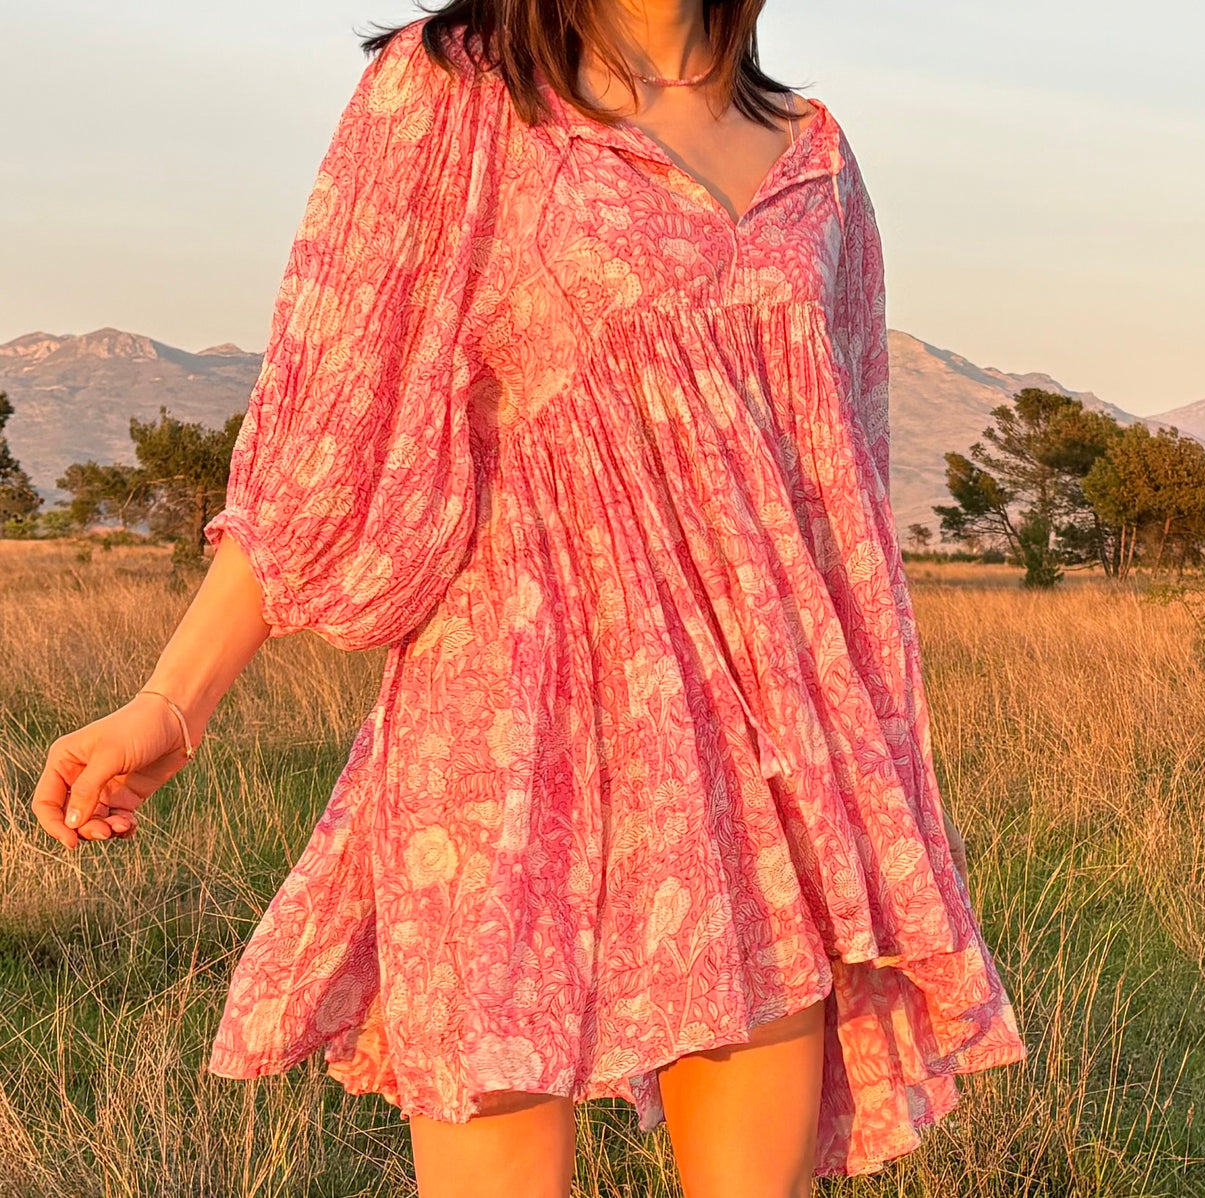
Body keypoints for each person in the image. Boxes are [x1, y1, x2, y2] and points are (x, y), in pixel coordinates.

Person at [30, 2, 1026, 1194]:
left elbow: (840, 507)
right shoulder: (456, 88)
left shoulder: (813, 158)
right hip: (502, 735)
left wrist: (865, 784)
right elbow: (331, 423)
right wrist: (172, 700)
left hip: (745, 764)